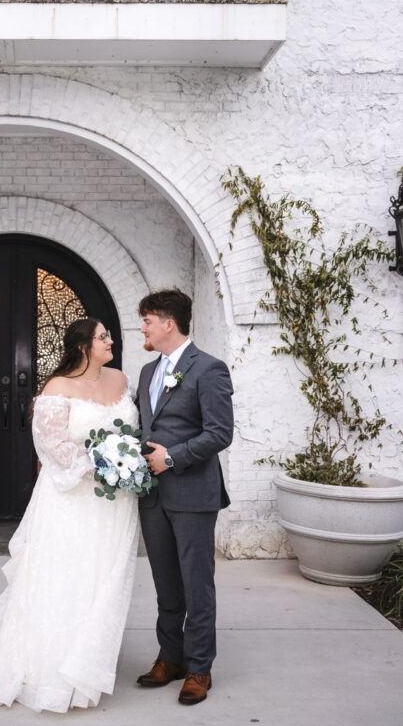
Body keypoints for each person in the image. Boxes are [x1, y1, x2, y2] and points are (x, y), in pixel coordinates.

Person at [0, 317, 139, 713]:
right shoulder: (57, 388)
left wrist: (126, 465)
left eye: (109, 335)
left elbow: (131, 435)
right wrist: (104, 467)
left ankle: (89, 659)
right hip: (73, 498)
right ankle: (53, 667)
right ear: (82, 346)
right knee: (66, 577)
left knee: (104, 577)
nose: (110, 341)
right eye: (102, 337)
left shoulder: (122, 380)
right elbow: (51, 444)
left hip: (117, 503)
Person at [135, 289, 234, 707]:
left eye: (147, 321)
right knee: (166, 584)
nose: (143, 327)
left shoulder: (209, 369)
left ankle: (199, 668)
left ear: (168, 323)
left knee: (197, 585)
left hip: (193, 493)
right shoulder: (145, 372)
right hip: (153, 496)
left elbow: (219, 433)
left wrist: (172, 458)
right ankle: (169, 657)